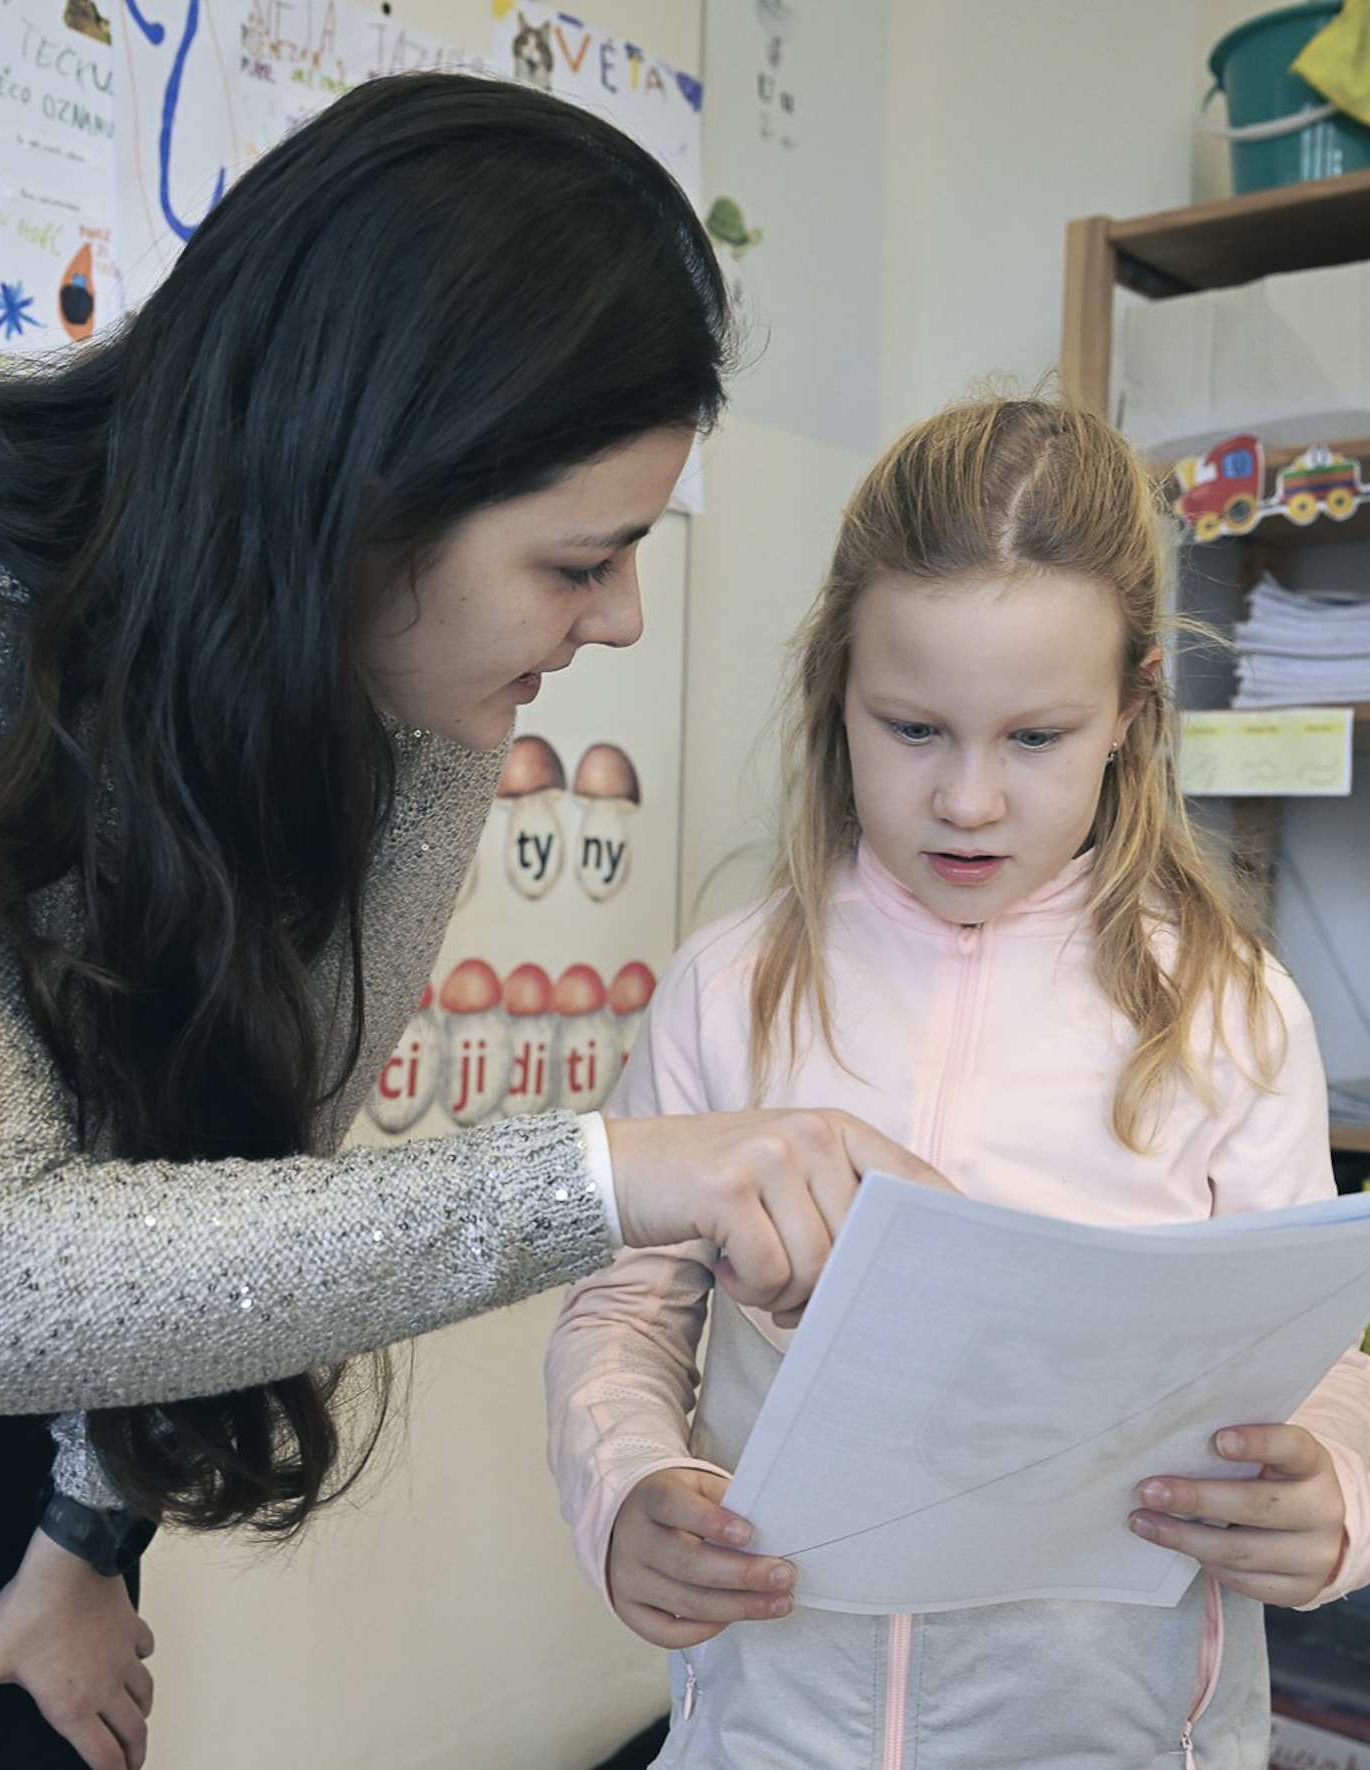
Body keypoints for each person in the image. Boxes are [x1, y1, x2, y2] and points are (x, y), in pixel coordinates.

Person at [0, 71, 935, 1770]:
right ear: (363, 488)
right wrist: (607, 1175)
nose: (623, 616)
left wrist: (84, 1536)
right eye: (581, 562)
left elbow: (240, 1170)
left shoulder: (411, 707)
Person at [544, 395, 1370, 1769]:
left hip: (1120, 1737)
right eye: (914, 728)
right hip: (774, 1731)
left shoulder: (1226, 1011)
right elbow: (624, 1310)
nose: (969, 800)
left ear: (1130, 712)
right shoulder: (729, 984)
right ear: (838, 693)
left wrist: (1338, 1487)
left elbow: (1319, 1354)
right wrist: (628, 1485)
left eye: (1036, 738)